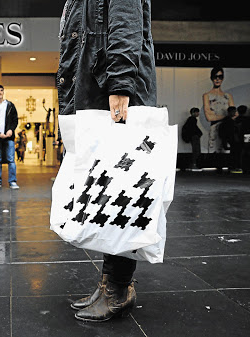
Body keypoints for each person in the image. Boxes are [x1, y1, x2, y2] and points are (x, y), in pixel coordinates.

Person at [57, 0, 156, 322]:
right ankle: (110, 283)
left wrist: (120, 84)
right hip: (98, 90)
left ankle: (118, 287)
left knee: (123, 193)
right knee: (107, 194)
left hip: (109, 92)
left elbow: (126, 24)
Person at [202, 67, 235, 164]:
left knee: (226, 150)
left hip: (227, 128)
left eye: (220, 77)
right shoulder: (207, 96)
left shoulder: (228, 96)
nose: (217, 79)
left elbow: (234, 113)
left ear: (223, 78)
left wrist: (217, 116)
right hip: (215, 130)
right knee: (215, 152)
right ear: (211, 78)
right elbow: (209, 117)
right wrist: (226, 116)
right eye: (215, 77)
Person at [219, 106, 243, 173]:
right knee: (234, 154)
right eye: (234, 111)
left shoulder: (226, 121)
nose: (235, 113)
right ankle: (233, 167)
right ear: (230, 112)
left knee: (232, 154)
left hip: (229, 139)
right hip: (232, 139)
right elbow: (231, 132)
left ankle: (232, 167)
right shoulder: (230, 121)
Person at [236, 105, 250, 173]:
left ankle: (241, 166)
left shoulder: (237, 119)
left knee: (241, 151)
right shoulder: (249, 119)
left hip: (241, 136)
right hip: (249, 135)